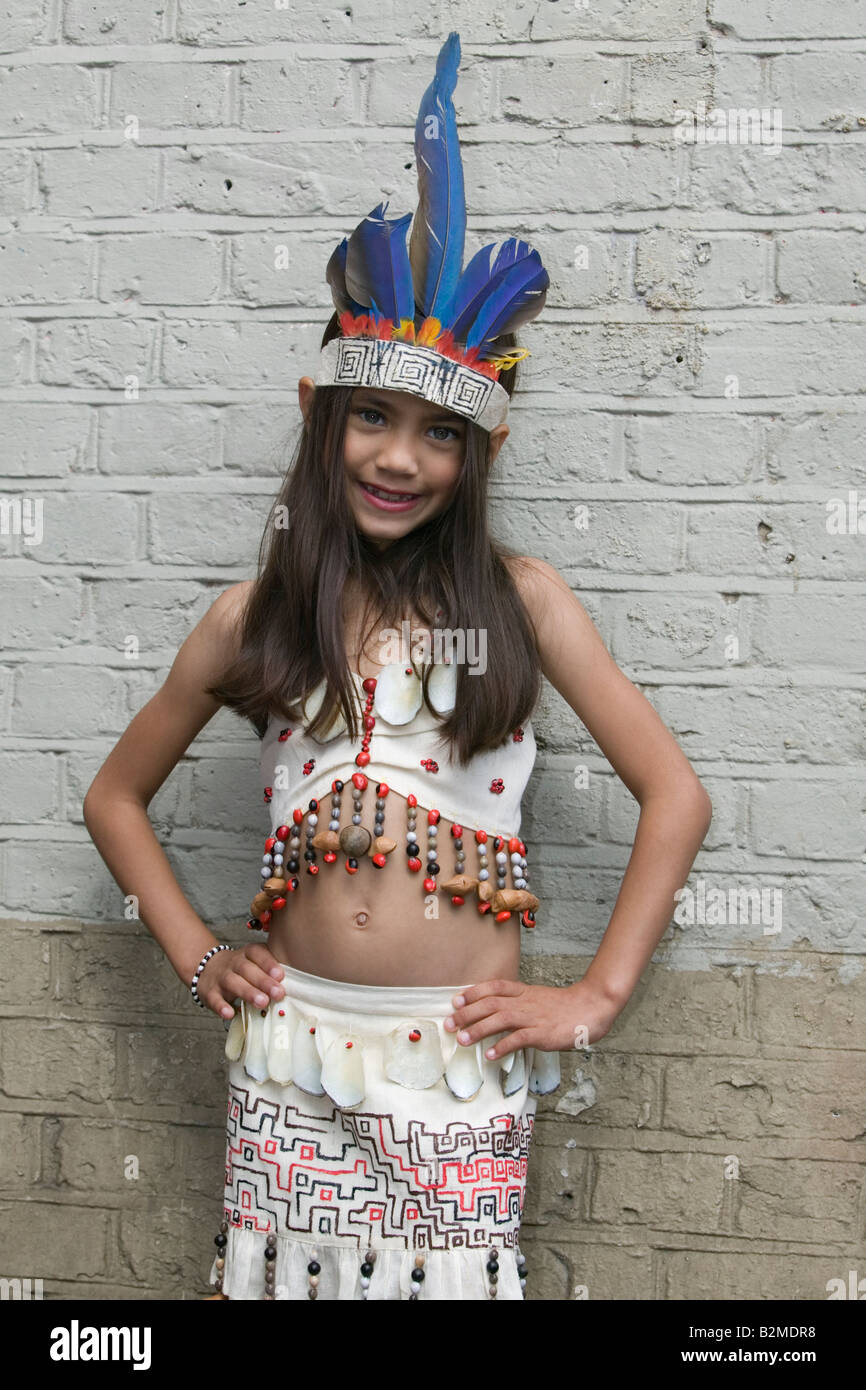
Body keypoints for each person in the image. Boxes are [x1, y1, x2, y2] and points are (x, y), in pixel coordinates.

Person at [83, 33, 712, 1301]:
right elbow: (111, 798)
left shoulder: (524, 602)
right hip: (289, 1049)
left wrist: (590, 995)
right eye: (373, 416)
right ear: (325, 417)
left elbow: (675, 796)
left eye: (437, 433)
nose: (398, 458)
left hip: (452, 1062)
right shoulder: (248, 616)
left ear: (472, 457)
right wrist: (200, 954)